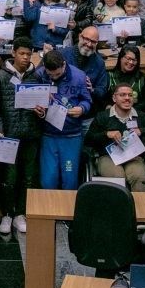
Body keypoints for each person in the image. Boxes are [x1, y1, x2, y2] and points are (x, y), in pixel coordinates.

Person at [0, 38, 41, 235]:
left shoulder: (36, 76)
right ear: (13, 53)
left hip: (31, 134)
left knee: (28, 178)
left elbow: (42, 103)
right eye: (21, 53)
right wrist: (0, 129)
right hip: (10, 135)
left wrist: (41, 111)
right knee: (9, 178)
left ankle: (21, 213)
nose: (25, 57)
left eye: (28, 54)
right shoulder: (1, 76)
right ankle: (7, 214)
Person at [85, 84, 145, 191]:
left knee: (139, 177)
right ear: (114, 98)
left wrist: (142, 131)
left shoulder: (140, 116)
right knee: (117, 178)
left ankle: (138, 206)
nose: (127, 98)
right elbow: (88, 139)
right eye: (122, 95)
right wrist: (106, 134)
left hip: (134, 157)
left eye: (130, 95)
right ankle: (118, 207)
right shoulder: (103, 116)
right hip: (109, 157)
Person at [33, 50, 92, 190]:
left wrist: (82, 109)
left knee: (69, 178)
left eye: (57, 74)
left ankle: (69, 210)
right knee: (48, 180)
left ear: (64, 64)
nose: (53, 77)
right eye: (50, 74)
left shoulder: (79, 76)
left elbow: (87, 101)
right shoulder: (40, 75)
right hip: (49, 135)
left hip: (71, 136)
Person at [106, 45, 145, 112]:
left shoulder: (142, 78)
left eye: (134, 60)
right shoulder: (109, 76)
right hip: (113, 116)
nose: (131, 62)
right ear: (121, 58)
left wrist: (131, 111)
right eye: (128, 59)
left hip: (135, 116)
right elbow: (103, 99)